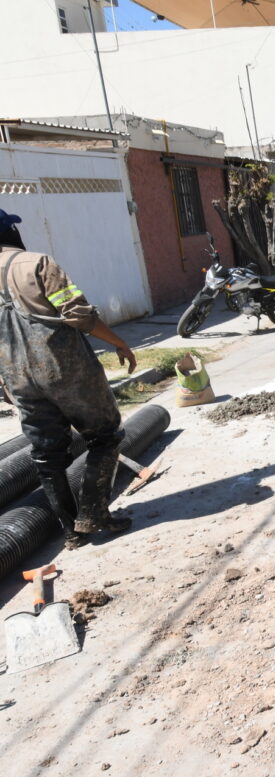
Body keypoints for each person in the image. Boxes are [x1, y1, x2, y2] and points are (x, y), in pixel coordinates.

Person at [0, 209, 137, 550]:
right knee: (105, 436)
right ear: (10, 230)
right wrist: (119, 342)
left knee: (47, 454)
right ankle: (93, 513)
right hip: (66, 370)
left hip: (17, 377)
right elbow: (78, 315)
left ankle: (71, 533)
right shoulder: (36, 263)